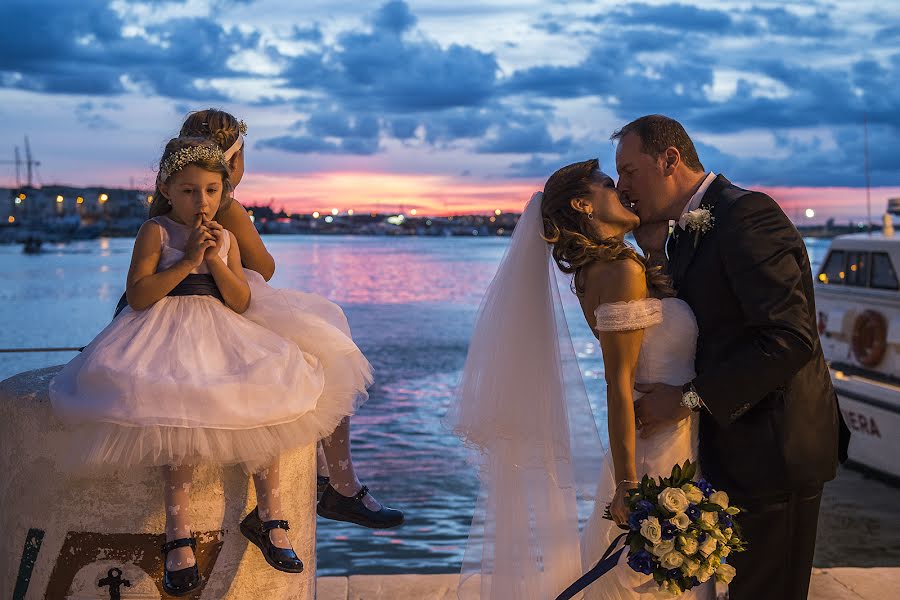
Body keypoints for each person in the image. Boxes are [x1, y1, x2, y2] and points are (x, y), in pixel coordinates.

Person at [50, 137, 369, 596]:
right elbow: (140, 295)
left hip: (221, 327)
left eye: (212, 191)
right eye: (189, 191)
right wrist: (190, 261)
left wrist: (217, 260)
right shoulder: (155, 232)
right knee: (175, 411)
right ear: (166, 188)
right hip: (165, 329)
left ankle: (270, 517)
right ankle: (177, 536)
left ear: (224, 193)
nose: (201, 202)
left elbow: (239, 301)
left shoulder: (228, 235)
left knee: (267, 396)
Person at [447, 158, 712, 599]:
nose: (623, 190)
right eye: (609, 183)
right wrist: (629, 483)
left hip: (673, 429)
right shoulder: (619, 271)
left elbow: (655, 328)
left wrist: (653, 251)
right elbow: (619, 383)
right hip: (657, 443)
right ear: (582, 204)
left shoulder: (614, 267)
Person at [615, 114, 849, 600]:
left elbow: (789, 337)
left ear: (669, 159)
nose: (622, 187)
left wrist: (687, 400)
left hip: (775, 451)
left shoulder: (748, 216)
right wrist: (655, 249)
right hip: (732, 453)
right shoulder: (684, 231)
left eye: (629, 171)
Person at [178, 109, 403, 529]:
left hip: (190, 305)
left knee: (323, 326)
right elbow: (263, 267)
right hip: (230, 301)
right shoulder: (227, 205)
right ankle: (340, 481)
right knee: (331, 344)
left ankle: (326, 474)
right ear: (234, 160)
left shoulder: (170, 203)